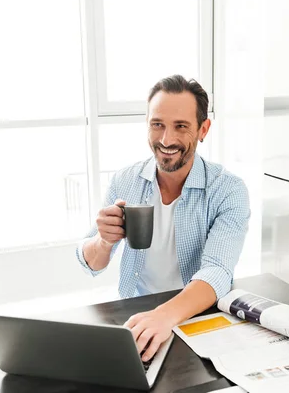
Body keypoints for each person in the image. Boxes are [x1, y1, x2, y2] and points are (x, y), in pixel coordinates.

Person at [75, 75, 251, 361]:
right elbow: (91, 263)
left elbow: (218, 271)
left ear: (203, 129)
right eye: (157, 125)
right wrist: (103, 241)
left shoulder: (228, 190)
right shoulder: (126, 180)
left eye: (181, 127)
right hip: (139, 314)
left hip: (197, 316)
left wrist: (163, 316)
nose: (166, 140)